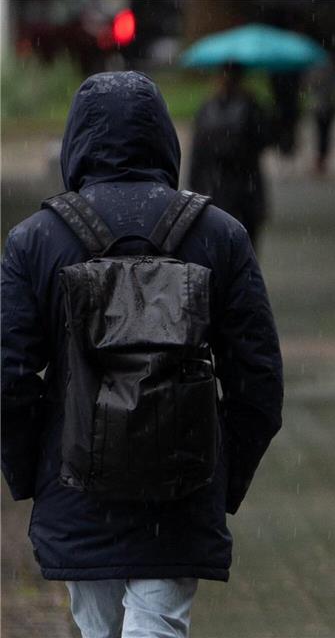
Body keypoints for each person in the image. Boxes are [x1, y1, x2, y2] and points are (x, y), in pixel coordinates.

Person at [1, 72, 283, 637]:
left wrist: (35, 467)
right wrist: (221, 474)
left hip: (77, 484)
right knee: (158, 626)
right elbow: (259, 382)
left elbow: (7, 379)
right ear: (163, 139)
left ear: (76, 140)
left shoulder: (35, 240)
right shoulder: (219, 235)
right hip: (181, 491)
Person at [189, 64, 270, 252]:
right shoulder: (247, 105)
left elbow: (198, 150)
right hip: (233, 184)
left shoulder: (212, 107)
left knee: (228, 242)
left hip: (226, 184)